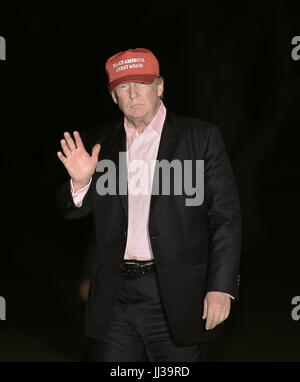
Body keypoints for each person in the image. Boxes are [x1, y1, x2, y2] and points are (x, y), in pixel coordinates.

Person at [56, 48, 242, 362]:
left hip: (179, 296)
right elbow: (73, 211)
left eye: (141, 84)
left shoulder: (200, 137)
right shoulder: (100, 140)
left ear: (160, 87)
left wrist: (221, 287)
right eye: (123, 87)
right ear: (114, 97)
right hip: (115, 299)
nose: (133, 94)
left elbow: (225, 217)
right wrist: (80, 183)